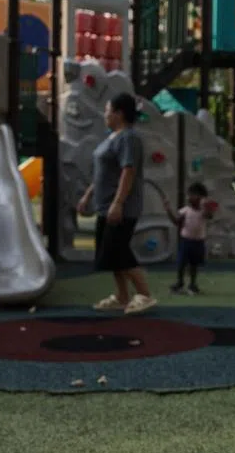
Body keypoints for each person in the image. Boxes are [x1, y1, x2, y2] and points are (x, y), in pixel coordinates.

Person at [76, 92, 157, 315]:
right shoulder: (112, 137)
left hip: (121, 207)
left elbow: (128, 170)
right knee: (110, 254)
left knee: (119, 249)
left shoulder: (128, 138)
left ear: (119, 114)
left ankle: (145, 295)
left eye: (108, 111)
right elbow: (104, 172)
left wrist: (118, 203)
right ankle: (122, 296)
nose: (105, 115)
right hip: (105, 205)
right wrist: (88, 196)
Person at [163, 182, 215, 295]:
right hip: (186, 241)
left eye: (193, 195)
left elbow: (209, 215)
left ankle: (192, 284)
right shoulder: (185, 210)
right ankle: (180, 283)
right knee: (181, 263)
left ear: (201, 197)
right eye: (189, 194)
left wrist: (205, 205)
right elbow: (176, 222)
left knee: (194, 264)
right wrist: (168, 210)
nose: (189, 197)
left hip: (198, 242)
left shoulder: (203, 211)